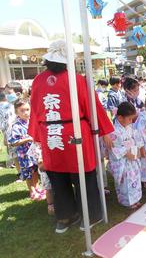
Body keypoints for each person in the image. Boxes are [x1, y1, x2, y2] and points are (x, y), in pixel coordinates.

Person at [28, 40, 114, 233]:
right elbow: (91, 105)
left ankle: (65, 217)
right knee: (84, 176)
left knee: (58, 179)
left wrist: (36, 135)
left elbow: (34, 110)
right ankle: (90, 216)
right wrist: (105, 129)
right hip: (75, 133)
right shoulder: (76, 79)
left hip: (50, 134)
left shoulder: (38, 80)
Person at [108, 102, 143, 208]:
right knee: (126, 181)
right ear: (120, 117)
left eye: (132, 119)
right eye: (129, 119)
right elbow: (115, 148)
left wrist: (138, 148)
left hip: (133, 157)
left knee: (135, 178)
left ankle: (136, 198)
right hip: (123, 161)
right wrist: (126, 153)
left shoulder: (129, 127)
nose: (131, 122)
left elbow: (136, 137)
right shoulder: (114, 132)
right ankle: (127, 201)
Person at [8, 99, 42, 200]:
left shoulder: (32, 121)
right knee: (28, 173)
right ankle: (31, 191)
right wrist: (28, 138)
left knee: (35, 170)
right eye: (22, 110)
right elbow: (13, 142)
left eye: (27, 109)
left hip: (34, 152)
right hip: (24, 154)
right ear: (16, 112)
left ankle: (36, 187)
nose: (25, 112)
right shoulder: (16, 125)